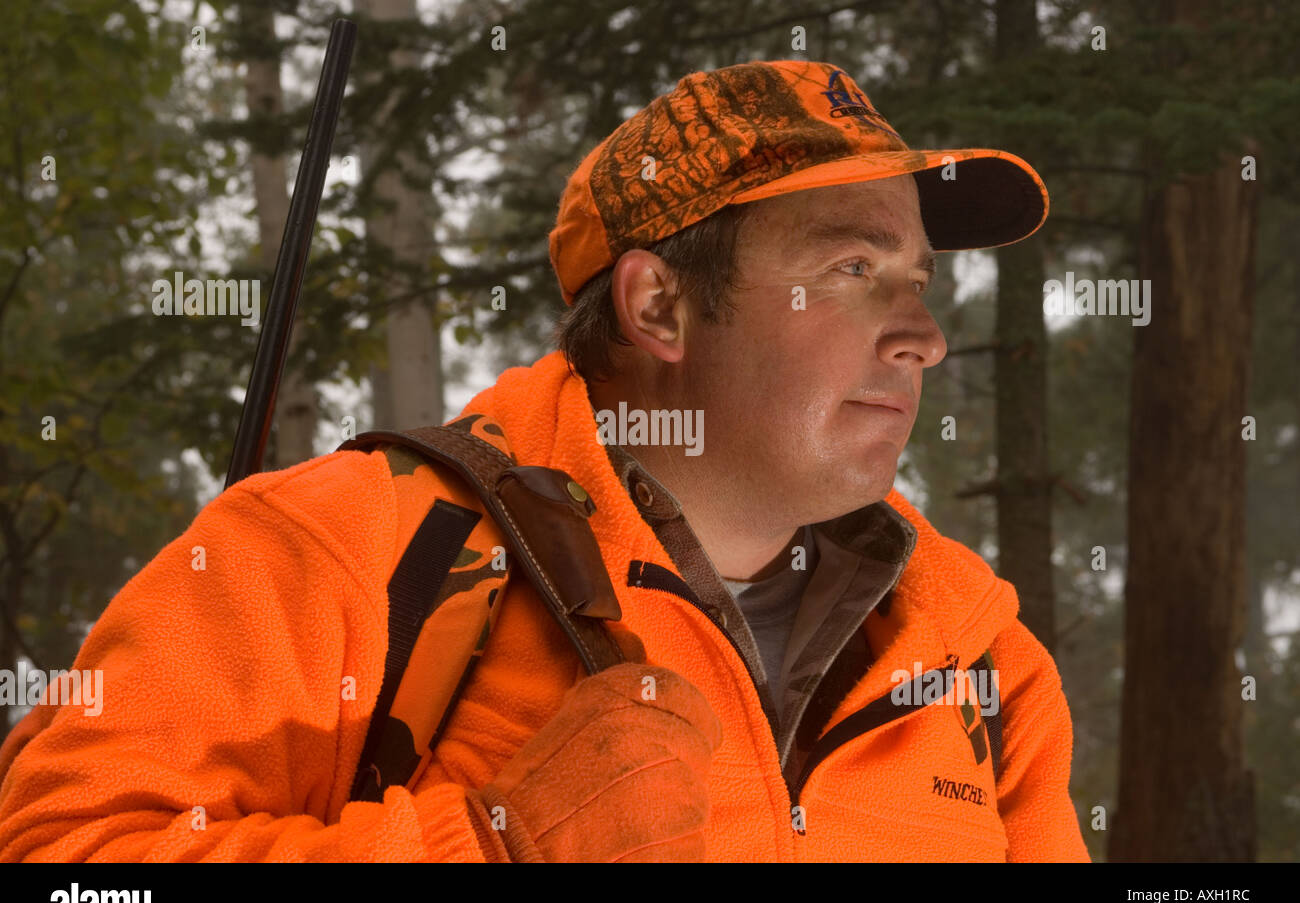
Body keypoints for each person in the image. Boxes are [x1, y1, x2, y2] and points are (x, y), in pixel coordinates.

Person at [0, 60, 1089, 862]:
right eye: (853, 266)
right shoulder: (348, 551)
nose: (922, 335)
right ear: (658, 304)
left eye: (917, 279)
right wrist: (488, 843)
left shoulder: (979, 659)